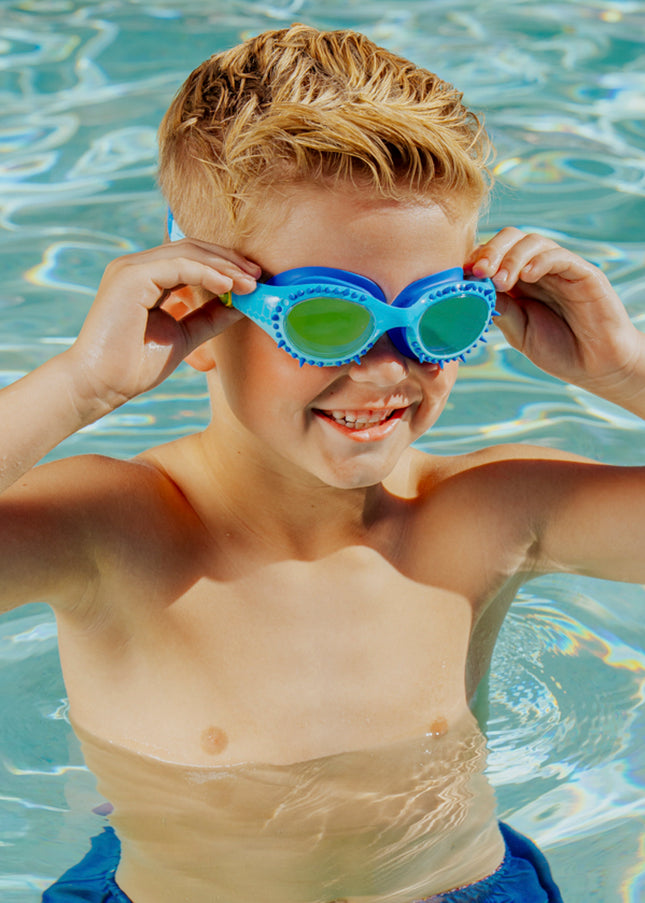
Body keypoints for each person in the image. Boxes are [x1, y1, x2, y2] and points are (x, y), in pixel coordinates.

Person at [1, 23, 643, 903]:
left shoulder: (485, 512)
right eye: (327, 319)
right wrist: (80, 383)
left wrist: (622, 366)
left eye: (437, 318)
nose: (386, 370)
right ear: (193, 309)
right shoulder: (113, 531)